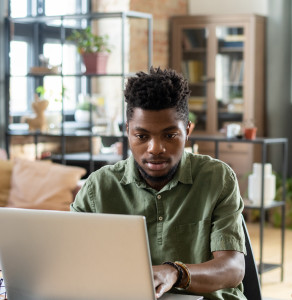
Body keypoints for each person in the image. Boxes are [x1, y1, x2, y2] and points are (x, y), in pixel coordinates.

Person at [71, 67, 246, 300]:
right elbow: (70, 261)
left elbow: (233, 268)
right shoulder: (98, 188)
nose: (155, 148)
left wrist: (176, 272)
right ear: (128, 132)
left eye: (170, 135)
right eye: (142, 136)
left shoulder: (217, 178)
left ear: (188, 131)